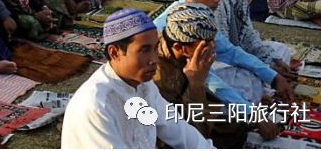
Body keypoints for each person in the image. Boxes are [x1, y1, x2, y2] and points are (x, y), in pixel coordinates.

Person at [153, 0, 288, 140]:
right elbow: (205, 80)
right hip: (178, 100)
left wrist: (272, 76)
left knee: (276, 54)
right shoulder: (178, 27)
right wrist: (252, 114)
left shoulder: (201, 16)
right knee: (233, 119)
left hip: (196, 84)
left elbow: (231, 51)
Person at [61, 9, 213, 148]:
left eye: (155, 48)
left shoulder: (145, 87)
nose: (154, 59)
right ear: (115, 53)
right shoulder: (97, 105)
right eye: (144, 50)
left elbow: (180, 131)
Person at [153, 2, 249, 147]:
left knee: (237, 126)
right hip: (162, 132)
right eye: (206, 44)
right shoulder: (155, 74)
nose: (212, 48)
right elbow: (193, 135)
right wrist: (196, 85)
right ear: (180, 47)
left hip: (187, 113)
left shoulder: (180, 51)